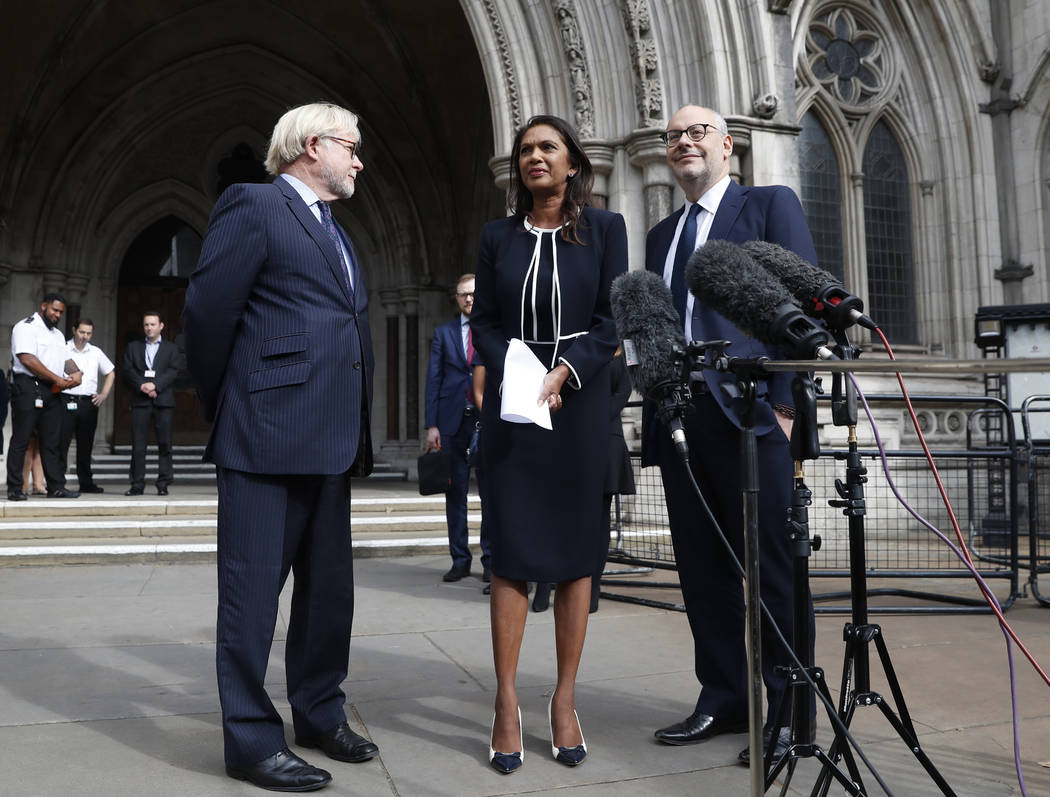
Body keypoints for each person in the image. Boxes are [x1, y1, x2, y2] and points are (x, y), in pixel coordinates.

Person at [183, 101, 377, 793]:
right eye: (350, 147)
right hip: (264, 436)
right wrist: (233, 405)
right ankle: (251, 741)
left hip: (331, 438)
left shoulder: (336, 229)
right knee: (250, 597)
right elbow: (208, 314)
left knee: (329, 597)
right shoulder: (255, 204)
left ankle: (320, 712)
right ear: (311, 145)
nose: (358, 160)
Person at [642, 105, 818, 763]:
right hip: (684, 419)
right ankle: (723, 696)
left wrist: (784, 407)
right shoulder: (662, 235)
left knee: (774, 570)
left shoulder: (769, 205)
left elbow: (794, 305)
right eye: (673, 136)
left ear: (728, 146)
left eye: (697, 132)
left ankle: (790, 711)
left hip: (752, 415)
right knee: (703, 571)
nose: (683, 142)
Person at [470, 114, 627, 774]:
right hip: (515, 410)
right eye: (526, 148)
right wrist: (527, 371)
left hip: (581, 408)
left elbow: (613, 318)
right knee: (510, 553)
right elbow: (484, 323)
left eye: (548, 148)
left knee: (573, 558)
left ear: (572, 164)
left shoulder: (605, 229)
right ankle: (506, 703)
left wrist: (568, 371)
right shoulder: (496, 237)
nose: (535, 156)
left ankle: (564, 700)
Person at [424, 273, 492, 584]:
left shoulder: (492, 330)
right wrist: (432, 424)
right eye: (463, 294)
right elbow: (433, 380)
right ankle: (460, 560)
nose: (469, 299)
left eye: (474, 294)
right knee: (456, 493)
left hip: (485, 419)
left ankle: (490, 560)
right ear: (456, 298)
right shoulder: (443, 333)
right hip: (452, 421)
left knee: (490, 493)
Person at [6, 293, 82, 500]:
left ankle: (56, 487)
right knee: (21, 439)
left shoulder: (57, 334)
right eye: (54, 310)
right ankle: (14, 488)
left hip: (52, 391)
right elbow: (27, 359)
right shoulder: (26, 327)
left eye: (61, 312)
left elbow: (65, 359)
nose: (57, 315)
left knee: (52, 441)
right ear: (44, 306)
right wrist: (57, 378)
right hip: (28, 386)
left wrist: (76, 372)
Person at [123, 312, 178, 496]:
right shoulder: (134, 347)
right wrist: (142, 386)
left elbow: (173, 371)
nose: (149, 328)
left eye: (153, 324)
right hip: (140, 401)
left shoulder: (171, 348)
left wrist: (156, 385)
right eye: (146, 324)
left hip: (163, 402)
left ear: (161, 326)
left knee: (165, 444)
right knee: (138, 445)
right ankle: (137, 484)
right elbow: (128, 369)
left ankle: (163, 484)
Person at [59, 318, 115, 493]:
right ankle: (57, 482)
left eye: (88, 333)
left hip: (87, 403)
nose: (85, 336)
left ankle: (86, 482)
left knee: (86, 444)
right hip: (66, 400)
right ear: (74, 330)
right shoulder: (63, 348)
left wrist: (104, 394)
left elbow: (110, 372)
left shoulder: (96, 352)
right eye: (82, 332)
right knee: (62, 443)